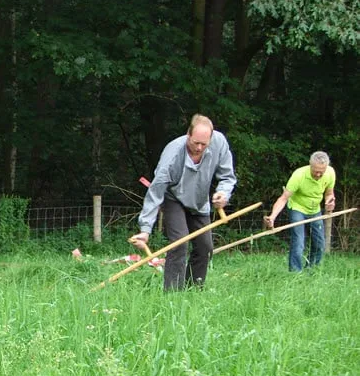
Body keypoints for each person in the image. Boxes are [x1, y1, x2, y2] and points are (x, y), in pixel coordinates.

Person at [130, 114, 237, 290]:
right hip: (174, 199)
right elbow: (155, 192)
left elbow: (227, 176)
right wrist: (145, 230)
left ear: (211, 138)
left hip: (200, 201)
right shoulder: (172, 155)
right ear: (188, 135)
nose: (200, 148)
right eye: (196, 143)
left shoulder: (219, 143)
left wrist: (223, 193)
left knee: (205, 248)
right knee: (179, 242)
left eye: (204, 144)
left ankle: (193, 289)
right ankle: (173, 293)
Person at [263, 151, 336, 272]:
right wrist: (272, 217)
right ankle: (295, 272)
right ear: (310, 165)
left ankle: (312, 269)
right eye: (315, 171)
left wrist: (330, 201)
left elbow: (329, 193)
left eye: (321, 172)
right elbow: (283, 198)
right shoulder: (299, 175)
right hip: (297, 208)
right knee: (299, 241)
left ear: (326, 168)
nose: (318, 174)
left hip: (315, 209)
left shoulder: (330, 173)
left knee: (319, 243)